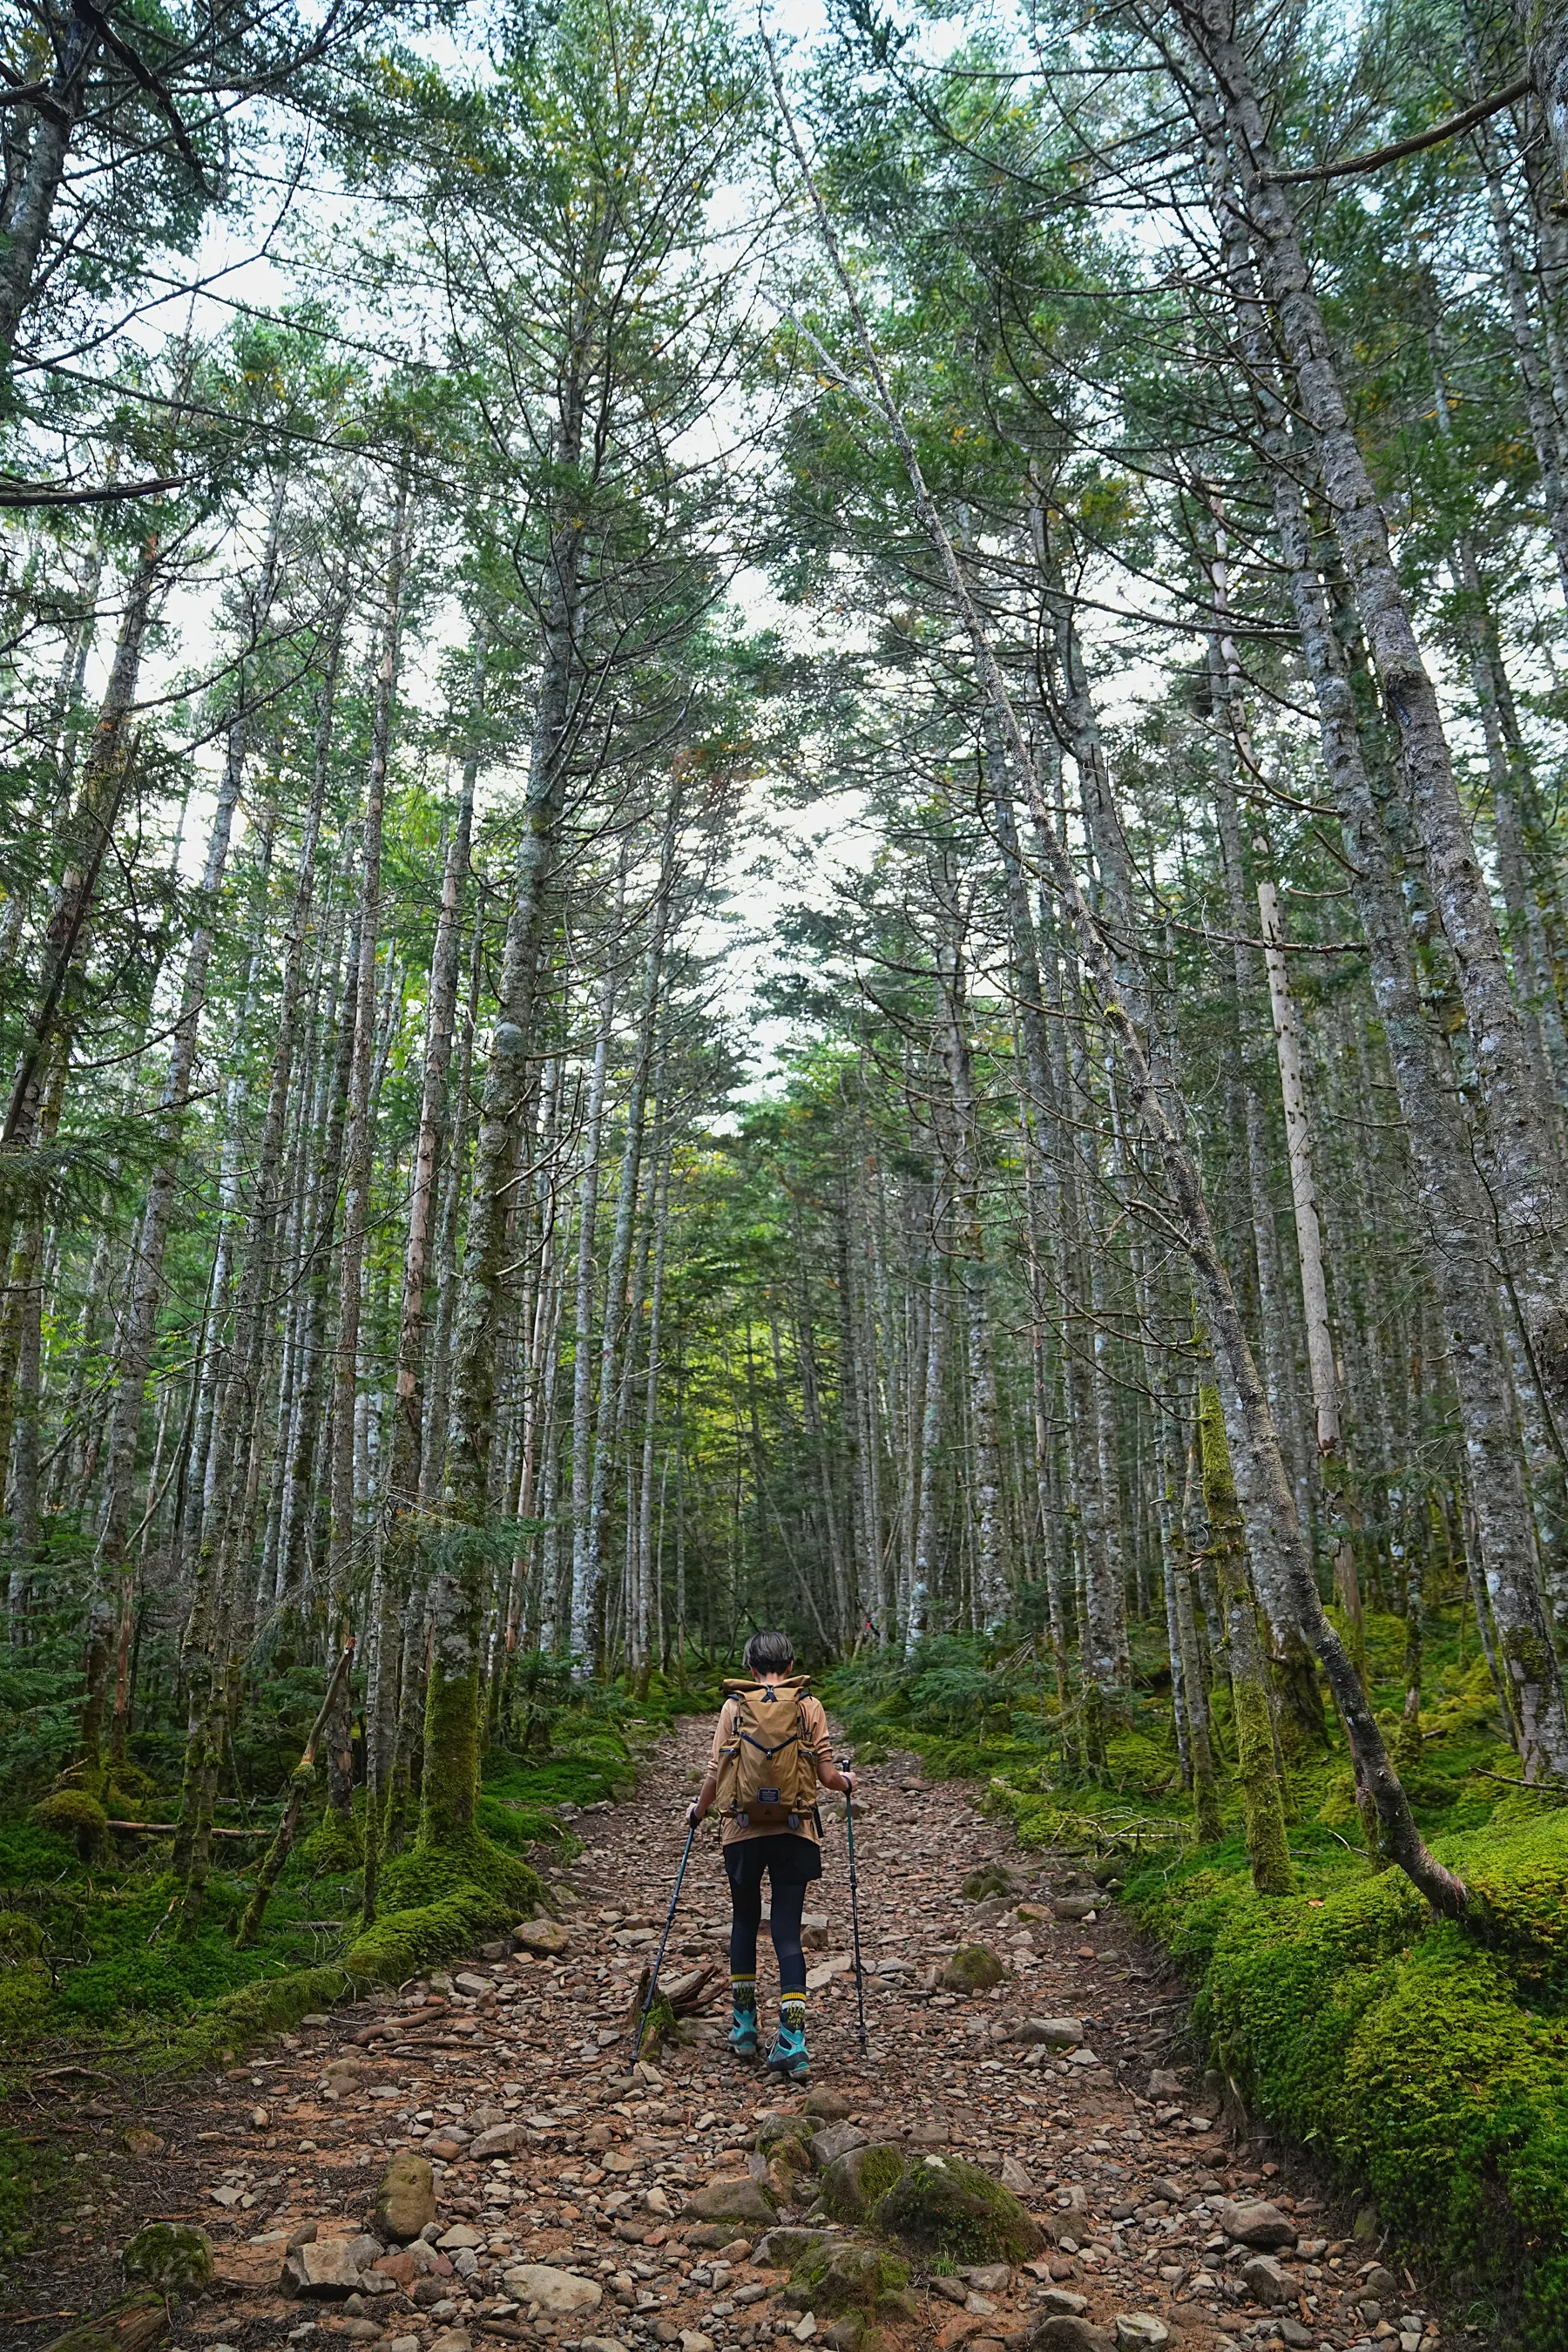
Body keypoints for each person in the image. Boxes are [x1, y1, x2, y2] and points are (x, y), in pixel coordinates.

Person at [686, 1629, 855, 2082]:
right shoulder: (808, 1705)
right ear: (790, 1662)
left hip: (740, 1830)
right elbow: (825, 1775)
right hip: (794, 1828)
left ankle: (744, 2027)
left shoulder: (734, 1705)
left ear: (750, 1667)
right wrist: (848, 1782)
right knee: (786, 1929)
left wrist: (699, 1811)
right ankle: (792, 2041)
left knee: (743, 1921)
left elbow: (715, 1770)